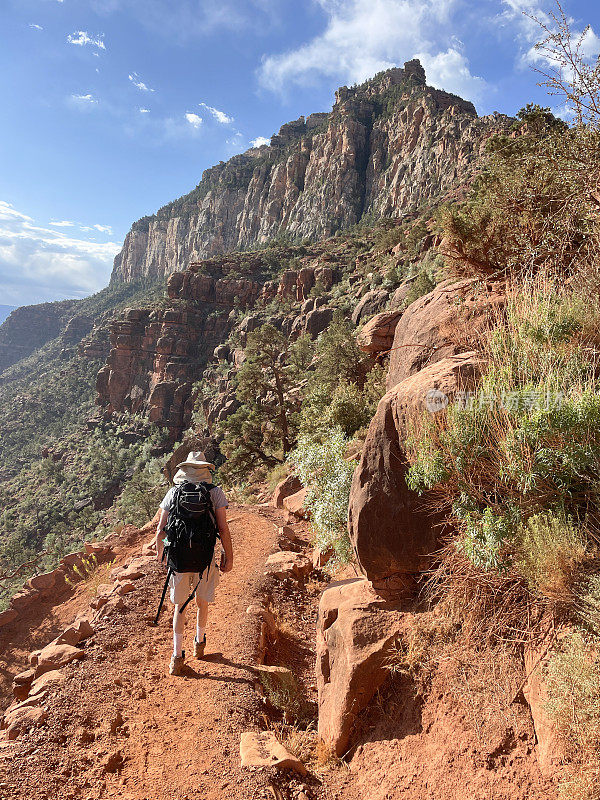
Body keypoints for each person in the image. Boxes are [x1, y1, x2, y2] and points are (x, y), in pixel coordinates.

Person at [155, 451, 233, 676]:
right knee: (202, 602)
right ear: (205, 471)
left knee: (180, 607)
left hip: (179, 559)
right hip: (205, 559)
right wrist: (228, 556)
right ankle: (199, 644)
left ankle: (177, 657)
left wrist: (163, 553)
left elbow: (161, 530)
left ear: (185, 471)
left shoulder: (173, 492)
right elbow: (223, 529)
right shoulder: (215, 492)